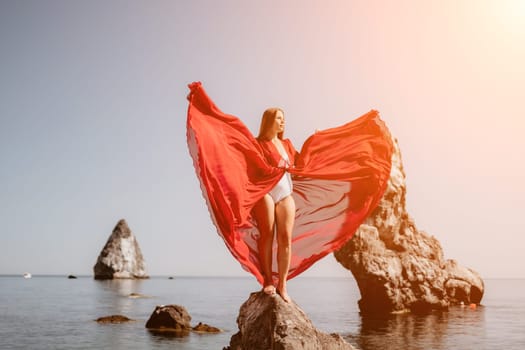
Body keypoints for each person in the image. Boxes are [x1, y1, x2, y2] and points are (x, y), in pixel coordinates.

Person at [252, 108, 297, 302]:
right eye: (279, 118)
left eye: (284, 119)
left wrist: (319, 141)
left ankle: (283, 285)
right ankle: (268, 281)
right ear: (269, 121)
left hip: (285, 193)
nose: (282, 122)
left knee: (285, 238)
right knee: (267, 235)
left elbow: (304, 162)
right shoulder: (258, 144)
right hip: (265, 192)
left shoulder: (287, 144)